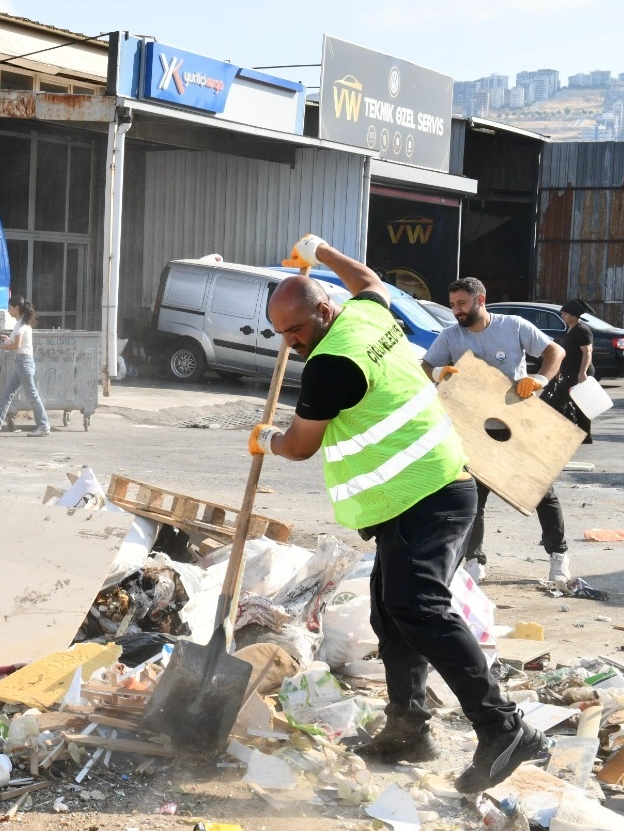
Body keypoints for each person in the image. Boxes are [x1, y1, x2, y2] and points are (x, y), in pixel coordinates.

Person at [249, 234, 542, 794]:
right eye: (283, 334)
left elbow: (302, 445)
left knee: (419, 606)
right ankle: (408, 729)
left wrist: (267, 439)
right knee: (390, 611)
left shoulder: (333, 365)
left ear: (323, 310)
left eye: (297, 329)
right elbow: (369, 280)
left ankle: (504, 728)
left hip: (426, 495)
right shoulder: (367, 313)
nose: (293, 341)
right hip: (420, 492)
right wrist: (322, 252)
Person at [421, 278, 571, 584]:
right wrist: (437, 372)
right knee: (474, 496)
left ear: (481, 300)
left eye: (462, 303)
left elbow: (555, 352)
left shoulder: (513, 326)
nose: (456, 311)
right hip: (473, 428)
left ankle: (559, 554)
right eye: (452, 305)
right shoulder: (451, 336)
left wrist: (540, 379)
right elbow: (424, 365)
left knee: (541, 491)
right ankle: (475, 559)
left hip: (516, 421)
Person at [0, 297, 51, 437]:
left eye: (10, 308)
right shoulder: (23, 324)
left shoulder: (20, 325)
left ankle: (44, 425)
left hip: (23, 363)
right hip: (23, 363)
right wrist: (7, 339)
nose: (8, 310)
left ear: (16, 308)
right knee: (7, 393)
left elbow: (17, 346)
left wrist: (4, 346)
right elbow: (19, 343)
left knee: (32, 396)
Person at [543, 298, 595, 443]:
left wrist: (582, 372)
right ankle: (585, 435)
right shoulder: (570, 329)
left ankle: (565, 432)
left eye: (565, 313)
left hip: (577, 374)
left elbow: (587, 352)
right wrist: (558, 370)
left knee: (557, 401)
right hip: (569, 372)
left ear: (574, 315)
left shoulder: (582, 330)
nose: (562, 315)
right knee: (579, 404)